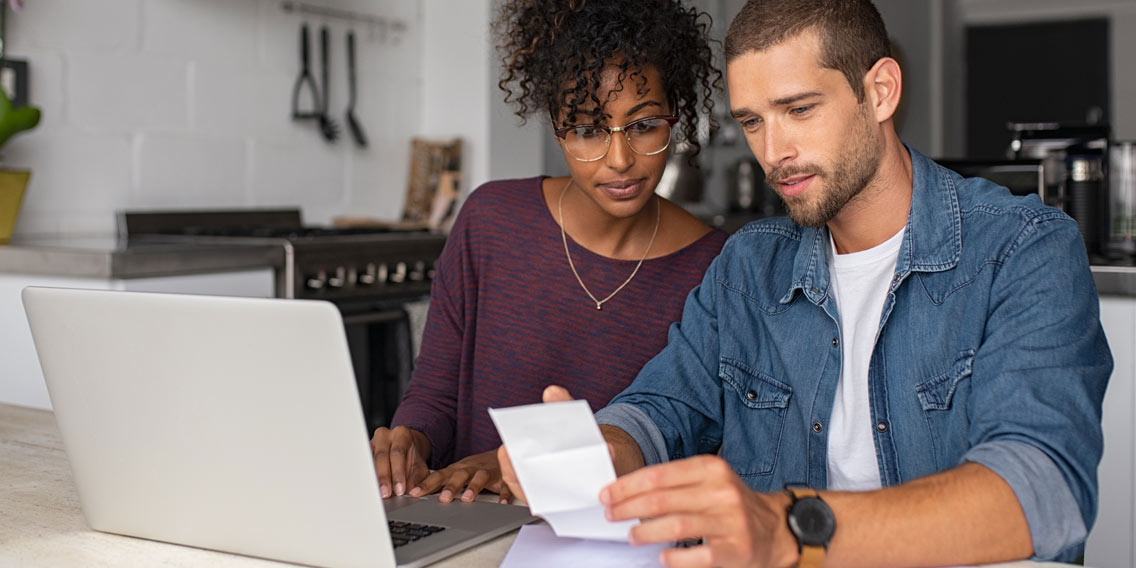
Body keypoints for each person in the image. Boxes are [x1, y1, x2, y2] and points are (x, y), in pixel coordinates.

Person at [500, 1, 1112, 566]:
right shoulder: (748, 267)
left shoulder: (1023, 247)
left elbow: (1043, 489)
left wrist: (791, 528)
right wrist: (599, 450)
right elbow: (664, 408)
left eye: (799, 109)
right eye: (752, 121)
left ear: (880, 92)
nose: (775, 151)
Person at [371, 0, 727, 505]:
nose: (620, 160)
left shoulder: (715, 269)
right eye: (587, 130)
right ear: (555, 126)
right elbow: (436, 396)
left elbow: (688, 445)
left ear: (677, 114)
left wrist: (512, 467)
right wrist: (411, 439)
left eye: (644, 125)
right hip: (471, 526)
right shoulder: (489, 221)